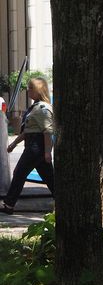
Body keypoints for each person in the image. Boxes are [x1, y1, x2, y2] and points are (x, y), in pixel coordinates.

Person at [1, 77, 55, 214]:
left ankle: (8, 204)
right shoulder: (35, 107)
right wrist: (14, 143)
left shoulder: (43, 108)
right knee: (50, 177)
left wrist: (48, 152)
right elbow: (28, 131)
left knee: (19, 173)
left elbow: (47, 131)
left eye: (31, 88)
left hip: (36, 146)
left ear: (38, 90)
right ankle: (65, 201)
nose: (28, 90)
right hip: (32, 144)